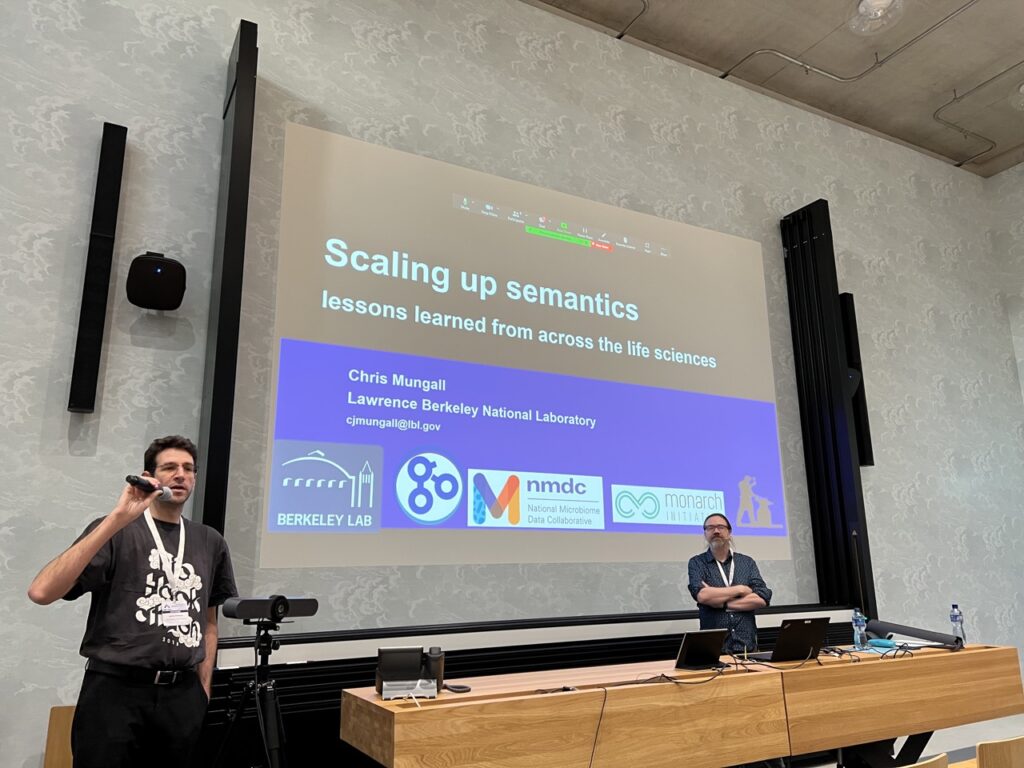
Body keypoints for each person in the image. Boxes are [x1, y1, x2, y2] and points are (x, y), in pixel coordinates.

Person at [28, 435, 237, 768]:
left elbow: (208, 622)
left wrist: (203, 689)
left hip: (182, 697)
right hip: (115, 692)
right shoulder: (117, 531)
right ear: (149, 476)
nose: (180, 475)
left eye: (188, 468)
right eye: (170, 467)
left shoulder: (209, 541)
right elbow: (41, 592)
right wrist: (116, 518)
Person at [687, 512, 771, 654]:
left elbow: (762, 598)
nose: (716, 531)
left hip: (747, 647)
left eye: (721, 527)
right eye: (710, 528)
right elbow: (702, 596)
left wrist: (722, 603)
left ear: (729, 531)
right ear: (705, 533)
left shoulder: (746, 562)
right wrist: (740, 589)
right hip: (714, 649)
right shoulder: (697, 563)